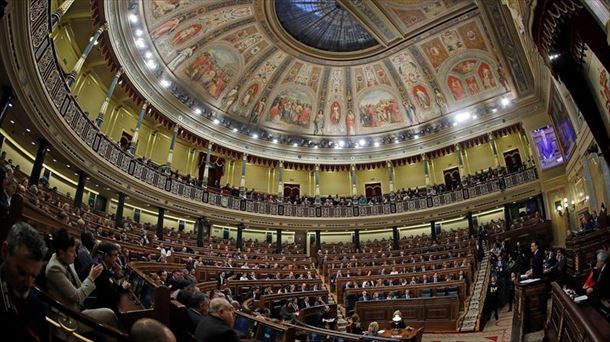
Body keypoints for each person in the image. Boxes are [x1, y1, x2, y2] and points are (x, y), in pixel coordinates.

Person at [45, 229, 119, 328]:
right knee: (109, 313)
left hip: (79, 308)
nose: (76, 255)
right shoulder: (54, 268)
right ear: (61, 252)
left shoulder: (65, 260)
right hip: (68, 317)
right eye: (72, 251)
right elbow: (77, 297)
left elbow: (79, 286)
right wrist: (91, 277)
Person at [0, 222, 48, 341]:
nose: (28, 283)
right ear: (5, 251)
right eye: (22, 273)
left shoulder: (38, 305)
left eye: (34, 276)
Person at [94, 242, 131, 314]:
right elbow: (112, 295)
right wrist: (123, 288)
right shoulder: (99, 268)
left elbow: (111, 285)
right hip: (102, 308)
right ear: (106, 256)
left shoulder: (102, 265)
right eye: (115, 255)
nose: (117, 259)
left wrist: (117, 273)